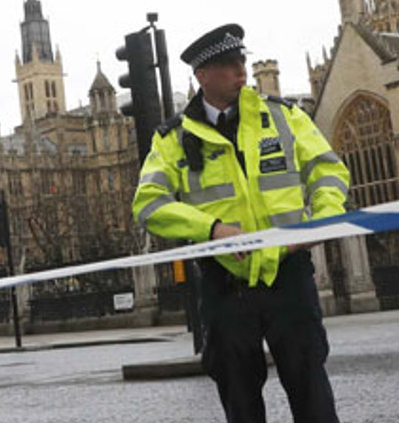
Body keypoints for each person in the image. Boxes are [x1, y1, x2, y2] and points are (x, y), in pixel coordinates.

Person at [132, 24, 349, 423]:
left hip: (288, 275)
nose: (240, 70)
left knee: (313, 397)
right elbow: (148, 203)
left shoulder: (283, 116)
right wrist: (212, 230)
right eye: (227, 64)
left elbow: (327, 170)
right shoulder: (173, 139)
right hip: (226, 286)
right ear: (202, 75)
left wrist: (323, 220)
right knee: (241, 403)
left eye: (242, 61)